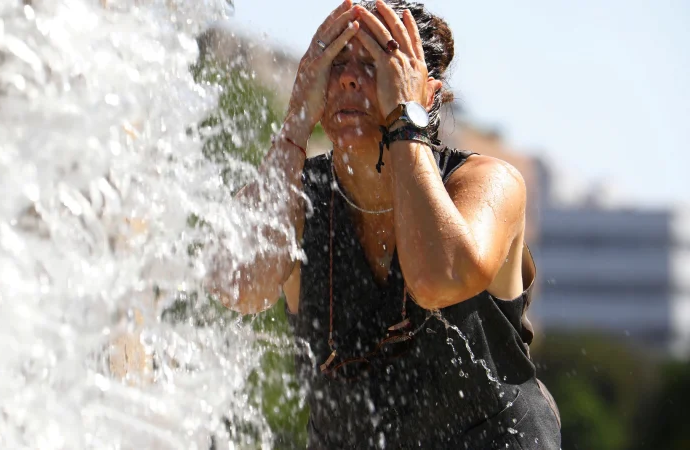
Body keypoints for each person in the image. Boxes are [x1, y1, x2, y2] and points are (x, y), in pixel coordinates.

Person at [210, 0, 561, 448]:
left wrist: (403, 121)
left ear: (426, 93)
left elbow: (439, 279)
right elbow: (238, 286)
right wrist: (295, 124)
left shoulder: (486, 181)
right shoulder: (296, 194)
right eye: (336, 63)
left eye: (377, 62)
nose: (350, 78)